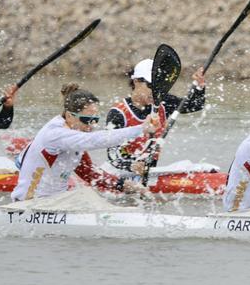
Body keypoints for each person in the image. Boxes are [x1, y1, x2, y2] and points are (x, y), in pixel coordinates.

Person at [11, 84, 157, 201]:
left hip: (54, 203)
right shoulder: (56, 134)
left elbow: (90, 174)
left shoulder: (74, 139)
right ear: (69, 116)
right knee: (86, 196)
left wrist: (126, 185)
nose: (91, 126)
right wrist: (141, 128)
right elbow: (97, 140)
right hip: (29, 206)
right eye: (87, 120)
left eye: (95, 120)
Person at [105, 58, 206, 177]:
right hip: (122, 175)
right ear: (136, 81)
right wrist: (131, 166)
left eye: (159, 86)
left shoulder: (163, 102)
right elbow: (112, 155)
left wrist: (199, 87)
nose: (156, 91)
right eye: (151, 85)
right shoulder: (118, 113)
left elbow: (196, 105)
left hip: (147, 174)